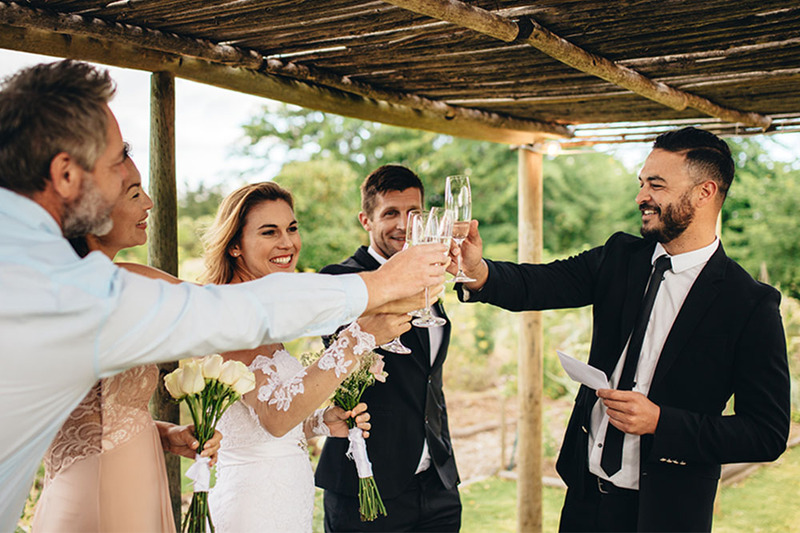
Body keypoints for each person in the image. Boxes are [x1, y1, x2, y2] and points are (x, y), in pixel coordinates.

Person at [0, 60, 448, 531]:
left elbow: (78, 412)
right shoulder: (61, 288)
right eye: (118, 167)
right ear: (66, 174)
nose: (144, 198)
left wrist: (156, 433)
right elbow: (230, 313)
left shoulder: (47, 266)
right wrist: (376, 289)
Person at [451, 127, 790, 532]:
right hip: (584, 501)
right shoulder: (619, 257)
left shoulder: (749, 303)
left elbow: (766, 434)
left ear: (705, 192)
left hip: (666, 515)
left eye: (656, 184)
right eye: (641, 183)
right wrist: (477, 270)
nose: (641, 196)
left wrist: (661, 422)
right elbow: (537, 283)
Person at [203, 181, 408, 532]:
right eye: (270, 232)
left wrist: (320, 422)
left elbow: (266, 414)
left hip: (286, 498)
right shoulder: (233, 316)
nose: (287, 243)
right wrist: (361, 337)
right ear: (235, 245)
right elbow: (274, 418)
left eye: (292, 228)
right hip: (253, 505)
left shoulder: (261, 313)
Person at [32, 155, 222, 532]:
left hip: (119, 478)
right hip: (107, 490)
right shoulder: (115, 283)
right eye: (134, 193)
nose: (149, 202)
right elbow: (227, 313)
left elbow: (93, 413)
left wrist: (166, 434)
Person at [316, 164, 462, 532]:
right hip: (367, 484)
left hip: (438, 483)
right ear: (366, 219)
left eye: (414, 213)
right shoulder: (339, 279)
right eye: (390, 213)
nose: (403, 224)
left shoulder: (430, 279)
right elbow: (341, 347)